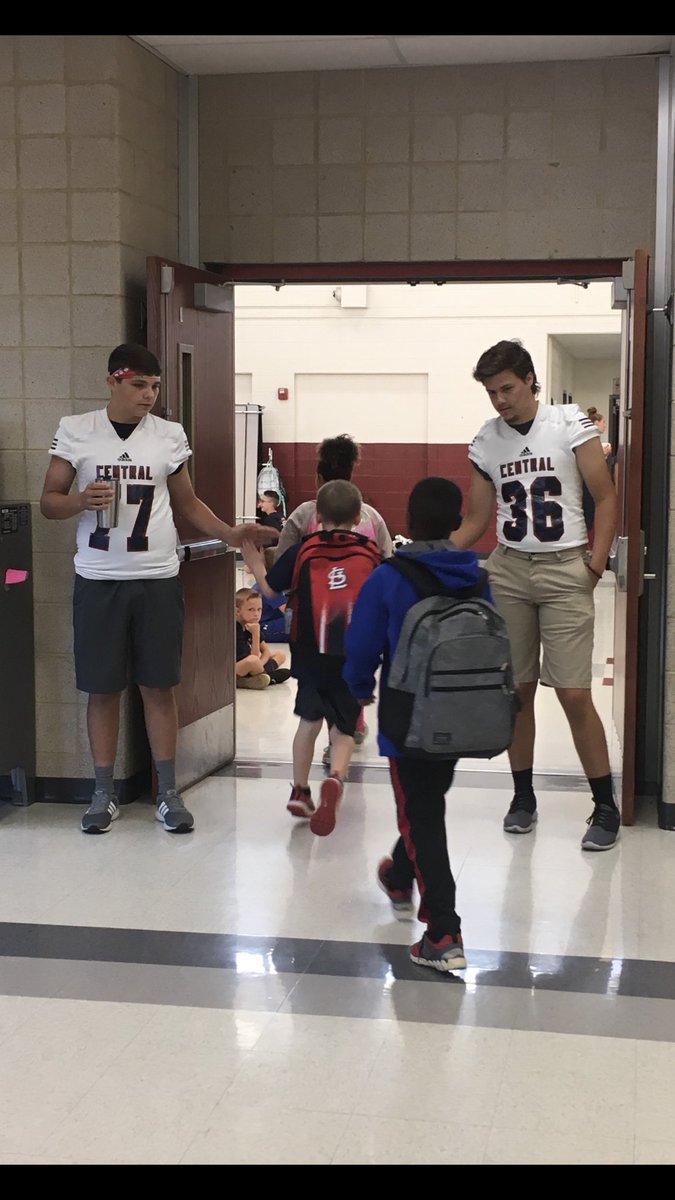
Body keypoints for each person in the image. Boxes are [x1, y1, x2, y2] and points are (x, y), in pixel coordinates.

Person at [39, 343, 279, 836]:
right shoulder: (76, 430)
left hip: (157, 578)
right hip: (100, 578)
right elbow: (48, 502)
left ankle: (168, 792)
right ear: (113, 382)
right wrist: (81, 500)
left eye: (154, 386)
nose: (149, 395)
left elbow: (187, 503)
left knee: (159, 686)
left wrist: (232, 534)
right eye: (138, 385)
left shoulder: (169, 436)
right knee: (102, 689)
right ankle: (102, 793)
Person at [452, 339, 620, 850]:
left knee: (573, 694)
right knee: (518, 692)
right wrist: (428, 554)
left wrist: (594, 566)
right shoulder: (486, 440)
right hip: (510, 570)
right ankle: (523, 797)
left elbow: (606, 496)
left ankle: (605, 805)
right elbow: (477, 519)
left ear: (529, 380)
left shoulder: (569, 423)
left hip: (567, 564)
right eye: (490, 392)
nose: (499, 400)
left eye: (506, 388)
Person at [343, 477, 492, 973]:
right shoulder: (476, 574)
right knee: (426, 805)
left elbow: (361, 642)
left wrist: (359, 686)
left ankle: (443, 932)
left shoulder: (390, 576)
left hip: (407, 719)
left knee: (421, 814)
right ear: (457, 523)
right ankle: (398, 874)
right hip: (462, 716)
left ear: (406, 523)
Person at [243, 479, 381, 836]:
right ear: (358, 515)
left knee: (309, 721)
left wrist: (255, 563)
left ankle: (300, 790)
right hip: (352, 655)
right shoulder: (371, 552)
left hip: (309, 652)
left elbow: (272, 591)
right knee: (344, 727)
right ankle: (335, 776)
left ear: (317, 515)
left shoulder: (304, 548)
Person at [274, 433, 393, 759]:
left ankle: (327, 741)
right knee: (351, 675)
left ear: (317, 476)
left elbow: (284, 562)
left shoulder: (302, 516)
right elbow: (388, 562)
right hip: (361, 618)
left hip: (313, 620)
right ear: (353, 475)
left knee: (317, 680)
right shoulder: (369, 516)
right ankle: (350, 725)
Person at [235, 587, 291, 688]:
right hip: (236, 670)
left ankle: (261, 678)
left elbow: (266, 651)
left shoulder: (251, 624)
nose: (256, 614)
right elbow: (253, 658)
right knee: (252, 660)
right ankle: (261, 678)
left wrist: (259, 665)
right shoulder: (236, 629)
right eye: (251, 610)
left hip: (253, 668)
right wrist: (255, 634)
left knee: (280, 655)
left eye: (259, 609)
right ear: (238, 611)